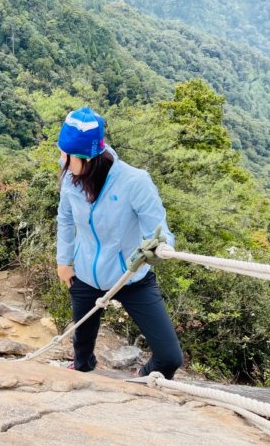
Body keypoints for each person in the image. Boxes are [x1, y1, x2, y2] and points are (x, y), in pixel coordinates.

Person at [56, 107, 183, 379]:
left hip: (131, 276)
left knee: (170, 357)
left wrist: (159, 248)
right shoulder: (70, 177)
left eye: (66, 154)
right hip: (86, 275)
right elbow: (65, 219)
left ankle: (142, 379)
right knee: (81, 347)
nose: (61, 159)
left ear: (85, 158)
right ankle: (84, 368)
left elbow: (160, 232)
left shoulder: (134, 182)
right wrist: (64, 262)